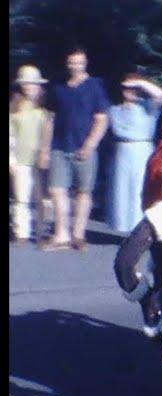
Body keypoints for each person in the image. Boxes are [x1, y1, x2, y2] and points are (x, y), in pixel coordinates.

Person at [39, 46, 110, 251]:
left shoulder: (95, 86)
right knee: (56, 189)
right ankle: (61, 234)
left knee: (83, 192)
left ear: (85, 62)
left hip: (85, 147)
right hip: (60, 146)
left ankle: (78, 235)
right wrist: (45, 149)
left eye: (79, 62)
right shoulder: (59, 87)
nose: (75, 66)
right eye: (72, 62)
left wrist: (90, 144)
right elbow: (50, 119)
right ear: (67, 63)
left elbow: (101, 119)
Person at [108, 74, 162, 233]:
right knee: (121, 191)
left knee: (139, 189)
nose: (129, 91)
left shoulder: (148, 106)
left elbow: (160, 94)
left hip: (142, 150)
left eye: (133, 88)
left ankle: (141, 230)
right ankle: (123, 230)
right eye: (126, 87)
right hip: (121, 150)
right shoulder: (114, 109)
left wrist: (140, 82)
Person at [9, 65, 49, 245]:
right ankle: (21, 232)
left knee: (41, 198)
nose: (29, 87)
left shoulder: (44, 106)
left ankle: (41, 232)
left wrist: (45, 153)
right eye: (25, 84)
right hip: (20, 158)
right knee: (21, 198)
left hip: (40, 158)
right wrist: (11, 159)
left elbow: (49, 131)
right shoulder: (15, 106)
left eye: (32, 84)